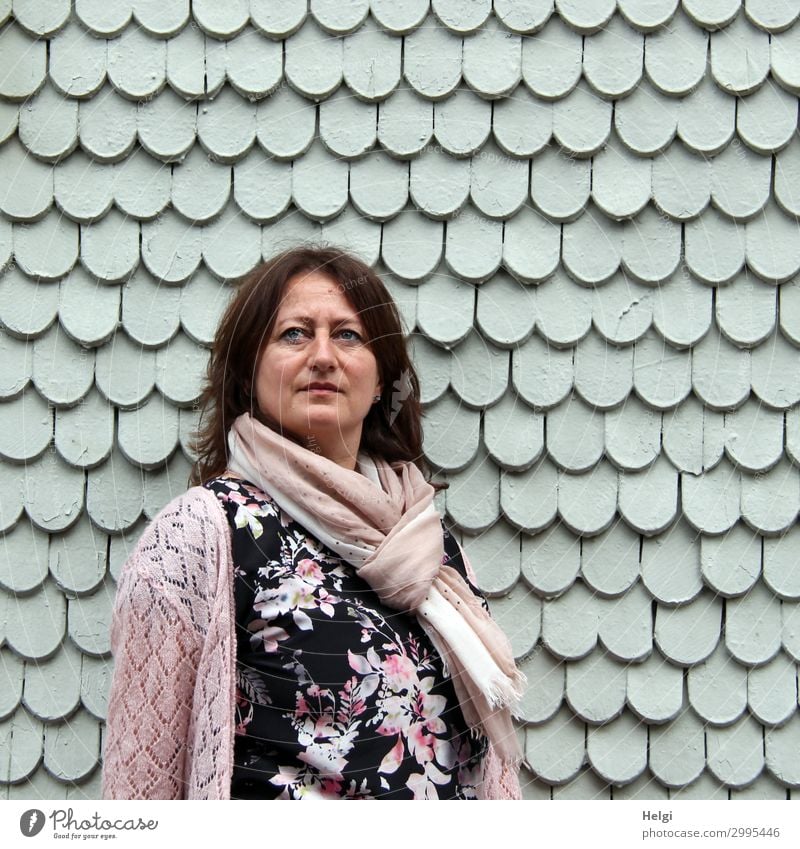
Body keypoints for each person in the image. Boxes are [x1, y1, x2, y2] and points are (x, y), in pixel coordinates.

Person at [102, 246, 523, 800]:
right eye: (295, 334)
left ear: (380, 382)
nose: (323, 355)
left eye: (348, 335)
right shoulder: (202, 534)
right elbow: (141, 782)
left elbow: (482, 765)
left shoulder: (429, 545)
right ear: (250, 372)